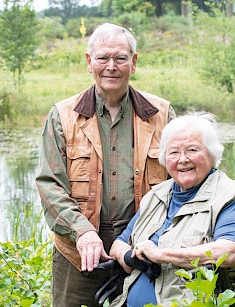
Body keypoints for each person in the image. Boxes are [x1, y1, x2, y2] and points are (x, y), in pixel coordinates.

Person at [35, 23, 176, 307]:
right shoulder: (62, 116)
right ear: (89, 62)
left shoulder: (161, 114)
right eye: (102, 58)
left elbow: (185, 178)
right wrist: (83, 232)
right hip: (78, 252)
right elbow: (49, 185)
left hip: (144, 248)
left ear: (133, 63)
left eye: (120, 58)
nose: (111, 66)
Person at [109, 112, 235, 307]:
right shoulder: (156, 195)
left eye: (192, 150)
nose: (183, 159)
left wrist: (161, 255)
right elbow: (118, 245)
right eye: (174, 152)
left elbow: (229, 252)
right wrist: (132, 258)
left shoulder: (230, 197)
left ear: (212, 154)